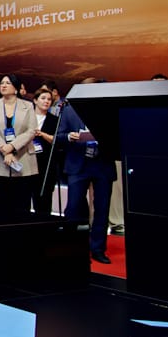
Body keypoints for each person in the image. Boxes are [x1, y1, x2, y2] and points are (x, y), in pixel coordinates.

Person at [57, 78, 117, 264]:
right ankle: (75, 247)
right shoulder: (69, 110)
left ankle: (98, 249)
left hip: (102, 164)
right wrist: (69, 136)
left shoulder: (109, 109)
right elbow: (59, 135)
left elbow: (118, 133)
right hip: (78, 163)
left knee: (102, 209)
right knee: (74, 207)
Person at [0, 74, 38, 220]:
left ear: (16, 88)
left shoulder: (28, 106)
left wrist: (12, 146)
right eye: (2, 83)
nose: (3, 85)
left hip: (22, 159)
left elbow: (31, 130)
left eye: (7, 83)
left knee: (21, 205)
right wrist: (4, 149)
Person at [30, 87, 61, 217]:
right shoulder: (26, 117)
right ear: (35, 100)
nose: (46, 101)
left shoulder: (55, 120)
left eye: (49, 99)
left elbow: (57, 140)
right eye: (43, 98)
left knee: (44, 200)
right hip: (27, 162)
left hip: (46, 164)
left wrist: (42, 134)